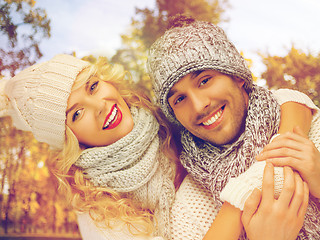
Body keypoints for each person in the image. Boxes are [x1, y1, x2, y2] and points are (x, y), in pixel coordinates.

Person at [0, 54, 309, 240]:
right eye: (76, 114)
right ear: (67, 138)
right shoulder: (99, 212)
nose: (100, 106)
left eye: (93, 86)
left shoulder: (167, 118)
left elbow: (276, 102)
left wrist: (280, 154)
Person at [147, 14, 320, 239]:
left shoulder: (311, 132)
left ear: (237, 76)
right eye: (179, 99)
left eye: (204, 80)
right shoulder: (189, 209)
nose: (199, 106)